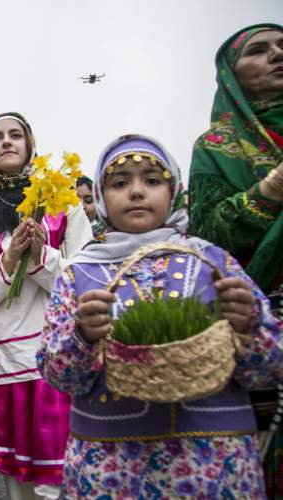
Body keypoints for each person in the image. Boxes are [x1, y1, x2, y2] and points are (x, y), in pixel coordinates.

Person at [38, 134, 283, 498]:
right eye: (120, 183)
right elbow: (57, 374)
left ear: (175, 191)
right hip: (110, 466)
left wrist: (248, 326)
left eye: (152, 180)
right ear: (103, 198)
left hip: (214, 461)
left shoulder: (213, 262)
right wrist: (83, 337)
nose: (137, 192)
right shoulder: (78, 273)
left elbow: (270, 366)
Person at [0, 112, 92, 499]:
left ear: (30, 144)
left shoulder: (61, 201)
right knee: (17, 487)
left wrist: (39, 256)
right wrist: (10, 260)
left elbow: (82, 281)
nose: (6, 142)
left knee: (58, 484)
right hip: (1, 363)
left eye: (15, 135)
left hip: (52, 360)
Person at [188, 24, 283, 496]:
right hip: (263, 305)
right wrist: (269, 190)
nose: (277, 55)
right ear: (231, 74)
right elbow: (207, 236)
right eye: (260, 51)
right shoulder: (216, 147)